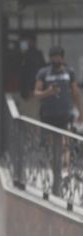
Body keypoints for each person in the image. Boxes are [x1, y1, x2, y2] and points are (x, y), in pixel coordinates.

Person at [34, 45, 83, 196]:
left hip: (65, 114)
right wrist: (48, 92)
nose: (56, 59)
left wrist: (81, 111)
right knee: (49, 143)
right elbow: (36, 93)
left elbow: (75, 92)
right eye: (53, 56)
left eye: (58, 56)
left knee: (65, 142)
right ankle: (53, 169)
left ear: (63, 57)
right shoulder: (43, 73)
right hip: (48, 114)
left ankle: (64, 169)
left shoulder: (69, 72)